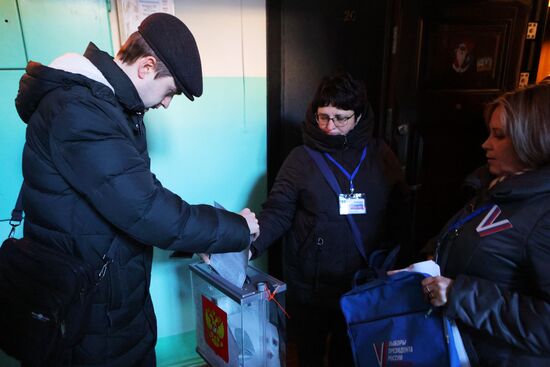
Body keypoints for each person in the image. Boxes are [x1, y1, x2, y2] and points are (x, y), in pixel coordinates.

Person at [14, 13, 259, 366]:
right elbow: (147, 210)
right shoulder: (80, 111)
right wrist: (234, 229)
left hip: (106, 302)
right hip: (86, 317)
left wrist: (203, 242)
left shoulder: (109, 106)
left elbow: (135, 201)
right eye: (171, 91)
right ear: (146, 67)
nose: (166, 103)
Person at [250, 73, 411, 366]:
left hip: (363, 283)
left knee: (350, 354)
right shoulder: (300, 159)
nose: (329, 127)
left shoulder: (380, 155)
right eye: (323, 117)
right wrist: (248, 248)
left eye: (340, 118)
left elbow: (400, 215)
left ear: (359, 116)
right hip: (311, 286)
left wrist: (401, 266)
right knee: (309, 353)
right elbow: (277, 212)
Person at [421, 82, 550, 366]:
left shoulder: (543, 216)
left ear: (534, 140)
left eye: (499, 135)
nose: (485, 144)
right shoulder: (494, 187)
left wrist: (458, 294)